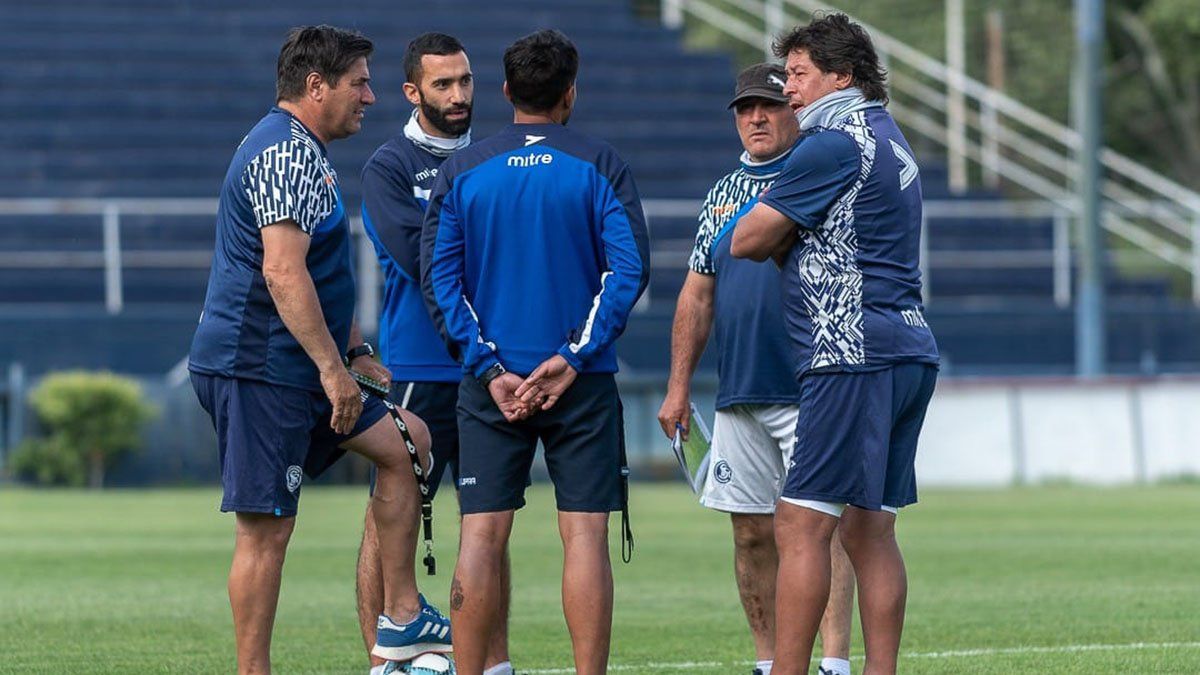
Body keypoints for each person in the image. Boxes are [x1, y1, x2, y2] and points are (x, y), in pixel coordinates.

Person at [186, 25, 451, 675]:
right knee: (266, 530)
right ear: (316, 86)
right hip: (262, 367)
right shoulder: (284, 151)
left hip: (303, 365)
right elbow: (283, 272)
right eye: (358, 82)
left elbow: (320, 272)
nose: (369, 96)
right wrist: (334, 369)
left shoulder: (308, 150)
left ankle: (400, 618)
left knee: (409, 441)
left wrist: (354, 347)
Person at [420, 29, 649, 675]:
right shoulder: (601, 164)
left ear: (505, 91)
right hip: (582, 380)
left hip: (491, 385)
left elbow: (441, 280)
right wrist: (574, 357)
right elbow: (627, 272)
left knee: (482, 534)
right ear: (570, 92)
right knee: (584, 535)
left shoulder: (463, 170)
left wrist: (491, 368)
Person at [730, 14, 939, 675]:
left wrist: (781, 232)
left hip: (849, 351)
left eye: (798, 74)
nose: (788, 89)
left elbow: (747, 239)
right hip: (908, 344)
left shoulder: (831, 143)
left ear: (840, 76)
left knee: (799, 522)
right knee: (870, 528)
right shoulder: (890, 135)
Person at [657, 62, 856, 675]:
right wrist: (677, 386)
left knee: (821, 528)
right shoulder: (722, 193)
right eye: (745, 108)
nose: (757, 118)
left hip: (810, 381)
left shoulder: (819, 173)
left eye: (769, 105)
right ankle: (769, 661)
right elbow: (697, 294)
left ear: (795, 109)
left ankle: (832, 661)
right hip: (738, 389)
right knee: (749, 533)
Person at [357, 32, 514, 675]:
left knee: (489, 524)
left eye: (465, 81)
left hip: (490, 365)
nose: (457, 95)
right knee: (387, 524)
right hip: (420, 369)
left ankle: (492, 662)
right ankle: (382, 655)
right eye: (442, 84)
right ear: (411, 92)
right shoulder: (389, 165)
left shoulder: (496, 156)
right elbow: (414, 255)